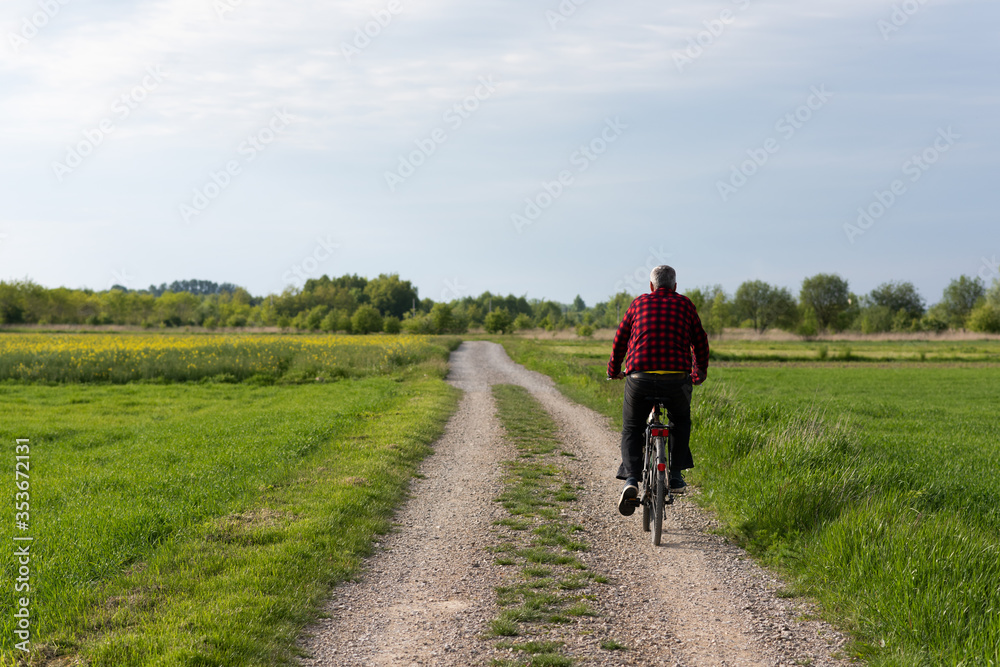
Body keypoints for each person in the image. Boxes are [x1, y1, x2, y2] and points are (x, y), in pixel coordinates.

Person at [607, 265, 710, 516]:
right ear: (675, 286)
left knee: (632, 427)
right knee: (680, 421)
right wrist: (699, 374)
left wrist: (613, 371)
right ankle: (674, 475)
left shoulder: (638, 303)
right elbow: (700, 342)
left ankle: (631, 479)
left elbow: (620, 339)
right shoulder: (685, 304)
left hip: (639, 378)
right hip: (676, 379)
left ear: (651, 286)